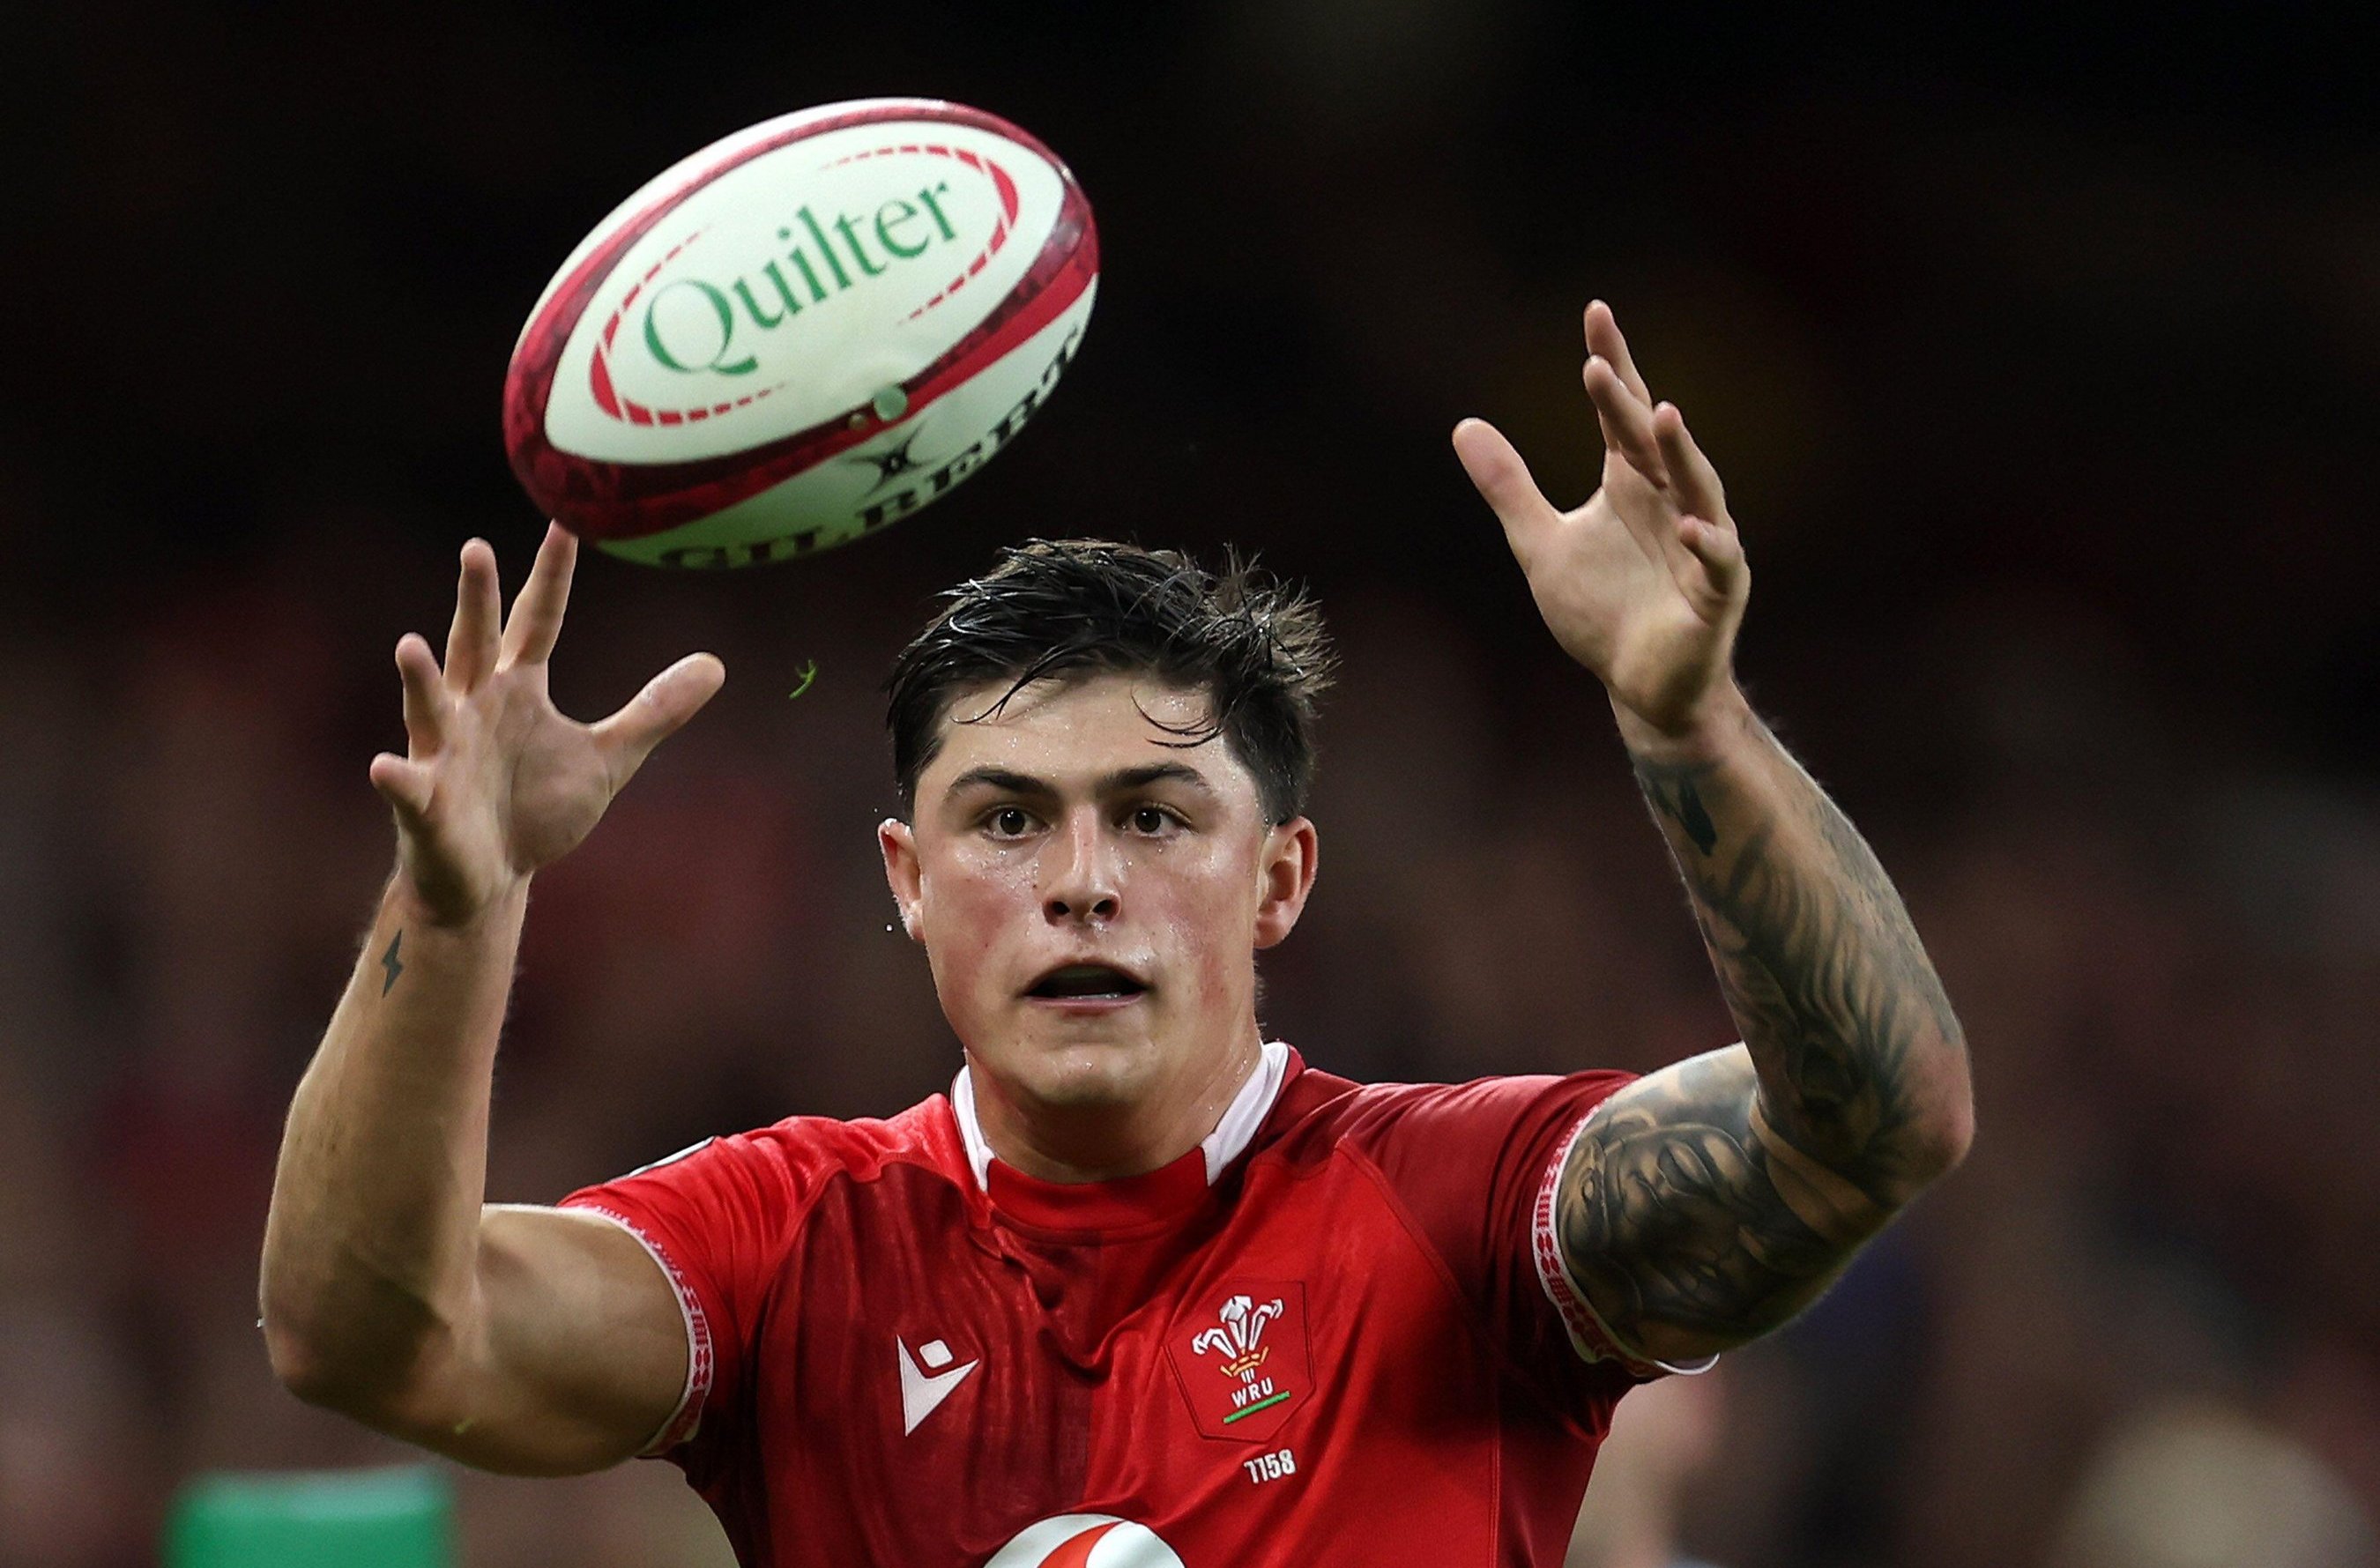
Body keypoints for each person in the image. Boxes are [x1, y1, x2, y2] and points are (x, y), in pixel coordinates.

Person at [260, 303, 1973, 1565]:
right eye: (1006, 818)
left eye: (1154, 817)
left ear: (1283, 875)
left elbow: (1875, 1125)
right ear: (907, 878)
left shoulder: (1458, 1214)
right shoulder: (794, 1251)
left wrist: (1693, 727)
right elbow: (363, 1334)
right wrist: (453, 896)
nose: (1082, 878)